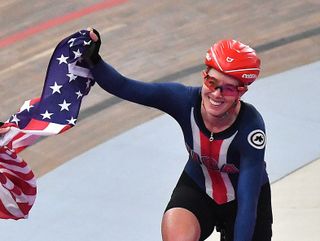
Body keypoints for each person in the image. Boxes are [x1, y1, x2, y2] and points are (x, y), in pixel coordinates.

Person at [84, 28, 273, 241]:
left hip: (244, 201)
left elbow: (248, 204)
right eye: (212, 83)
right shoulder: (182, 100)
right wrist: (94, 60)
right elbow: (125, 87)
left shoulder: (251, 129)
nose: (216, 94)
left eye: (228, 89)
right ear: (204, 77)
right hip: (199, 188)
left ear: (241, 92)